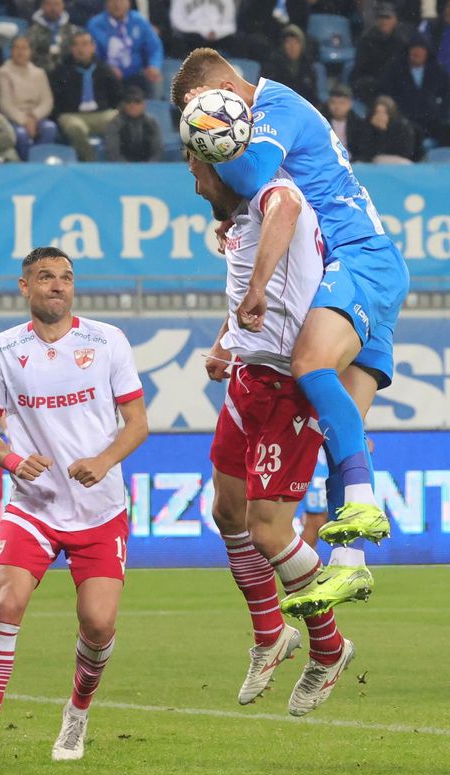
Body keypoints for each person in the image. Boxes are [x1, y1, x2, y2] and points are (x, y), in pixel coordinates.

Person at [171, 48, 410, 610]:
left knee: (308, 365)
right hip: (358, 270)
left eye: (201, 109)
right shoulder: (259, 129)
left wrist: (217, 160)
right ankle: (350, 564)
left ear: (228, 87)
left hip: (359, 258)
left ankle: (360, 513)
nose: (200, 125)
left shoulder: (277, 105)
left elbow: (251, 173)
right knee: (339, 426)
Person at [0, 246, 148, 767]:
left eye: (66, 277)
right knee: (6, 604)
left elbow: (137, 424)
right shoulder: (3, 348)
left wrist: (105, 459)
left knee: (99, 624)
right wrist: (14, 460)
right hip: (34, 507)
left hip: (100, 509)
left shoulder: (107, 341)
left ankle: (77, 713)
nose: (58, 286)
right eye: (46, 277)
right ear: (25, 287)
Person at [193, 155, 358, 714]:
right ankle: (270, 634)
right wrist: (225, 341)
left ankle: (330, 649)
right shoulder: (242, 219)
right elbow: (249, 296)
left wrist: (257, 286)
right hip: (247, 373)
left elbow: (284, 211)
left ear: (221, 166)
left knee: (269, 531)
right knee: (226, 510)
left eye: (198, 171)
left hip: (289, 383)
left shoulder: (275, 195)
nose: (196, 186)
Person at [378, 32, 450, 150]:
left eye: (421, 49)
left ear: (427, 52)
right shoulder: (395, 70)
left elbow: (448, 96)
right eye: (414, 48)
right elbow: (387, 95)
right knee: (412, 132)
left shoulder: (438, 71)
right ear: (408, 51)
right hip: (406, 120)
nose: (417, 52)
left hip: (432, 120)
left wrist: (441, 115)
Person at [51, 30, 121, 161]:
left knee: (118, 120)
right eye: (76, 45)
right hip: (73, 115)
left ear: (92, 47)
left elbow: (116, 95)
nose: (80, 49)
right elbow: (56, 100)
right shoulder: (61, 71)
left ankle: (116, 161)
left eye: (84, 44)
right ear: (71, 49)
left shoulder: (104, 69)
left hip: (100, 114)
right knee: (75, 128)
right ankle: (90, 162)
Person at [0, 35, 58, 160]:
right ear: (11, 51)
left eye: (24, 48)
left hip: (36, 117)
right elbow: (5, 104)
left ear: (30, 51)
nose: (20, 52)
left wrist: (34, 117)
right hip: (14, 118)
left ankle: (38, 164)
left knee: (50, 128)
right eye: (17, 48)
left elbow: (47, 101)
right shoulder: (3, 72)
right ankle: (26, 167)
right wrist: (24, 121)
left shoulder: (39, 73)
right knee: (21, 135)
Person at [87, 0, 163, 96]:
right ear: (106, 3)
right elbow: (92, 54)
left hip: (136, 73)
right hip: (107, 75)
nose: (117, 4)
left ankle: (152, 109)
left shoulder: (140, 21)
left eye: (121, 1)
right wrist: (107, 69)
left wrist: (154, 66)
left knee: (155, 79)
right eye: (113, 1)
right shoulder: (95, 25)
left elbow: (154, 48)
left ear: (129, 3)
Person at [348, 3, 411, 104]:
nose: (384, 21)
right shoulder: (366, 40)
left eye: (387, 17)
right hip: (371, 84)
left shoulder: (402, 42)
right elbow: (360, 69)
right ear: (376, 20)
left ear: (395, 20)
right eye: (380, 18)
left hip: (393, 84)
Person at [261, 24, 318, 106]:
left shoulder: (309, 68)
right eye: (288, 42)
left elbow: (313, 97)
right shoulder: (272, 67)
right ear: (282, 45)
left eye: (296, 42)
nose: (292, 46)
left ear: (302, 45)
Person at [102, 83, 160, 162]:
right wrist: (128, 169)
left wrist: (149, 167)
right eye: (128, 101)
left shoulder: (151, 123)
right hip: (122, 169)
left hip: (148, 168)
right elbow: (113, 152)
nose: (133, 105)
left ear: (143, 104)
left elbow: (157, 150)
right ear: (123, 104)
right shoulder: (115, 123)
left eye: (137, 101)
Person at [356, 95, 418, 163]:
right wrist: (378, 131)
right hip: (374, 163)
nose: (380, 116)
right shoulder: (367, 126)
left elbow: (406, 152)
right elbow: (366, 152)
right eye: (377, 112)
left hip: (398, 162)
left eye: (384, 112)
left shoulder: (402, 126)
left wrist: (384, 131)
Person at [168, 0, 238, 59]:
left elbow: (230, 23)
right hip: (191, 35)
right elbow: (177, 21)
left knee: (235, 41)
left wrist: (216, 32)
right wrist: (203, 32)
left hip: (218, 37)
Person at [27, 0, 85, 71]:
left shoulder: (73, 31)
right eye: (49, 4)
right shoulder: (32, 32)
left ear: (63, 5)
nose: (53, 8)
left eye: (57, 4)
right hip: (39, 73)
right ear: (42, 6)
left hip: (68, 74)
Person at [323, 83, 368, 157]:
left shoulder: (359, 124)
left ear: (350, 104)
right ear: (328, 103)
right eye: (333, 102)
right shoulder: (321, 123)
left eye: (342, 103)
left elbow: (363, 150)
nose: (337, 107)